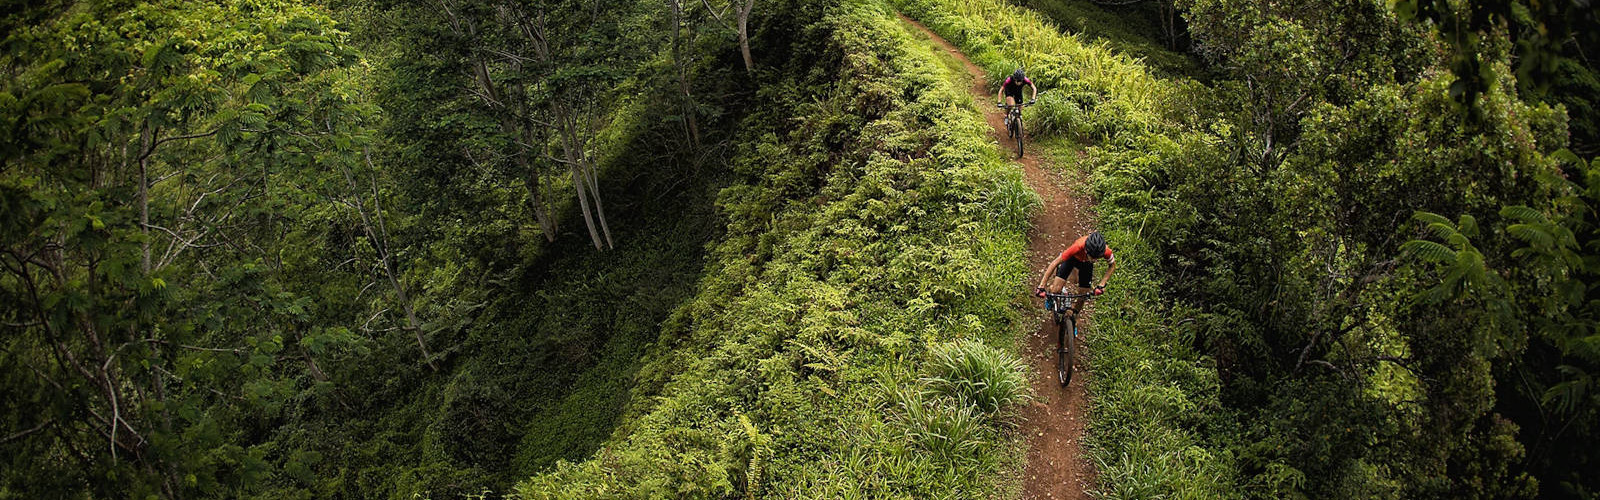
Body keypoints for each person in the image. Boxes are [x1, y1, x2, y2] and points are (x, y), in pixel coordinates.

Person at [1035, 231, 1116, 320]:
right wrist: (1041, 286)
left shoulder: (1105, 251)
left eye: (1097, 258)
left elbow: (1112, 266)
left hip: (1086, 265)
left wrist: (1102, 284)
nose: (1094, 260)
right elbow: (1055, 263)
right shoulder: (1077, 246)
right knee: (1055, 290)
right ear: (1086, 250)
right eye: (1092, 257)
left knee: (1083, 295)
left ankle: (1074, 317)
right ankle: (1051, 296)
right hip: (1072, 259)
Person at [996, 68, 1038, 132]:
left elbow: (1034, 88)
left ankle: (1018, 123)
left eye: (1020, 81)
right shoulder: (1009, 80)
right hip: (1009, 91)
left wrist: (1033, 99)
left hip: (1018, 92)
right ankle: (1007, 116)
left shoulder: (1025, 79)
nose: (1019, 82)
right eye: (1017, 81)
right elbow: (1001, 90)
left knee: (1019, 108)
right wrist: (999, 101)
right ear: (1014, 78)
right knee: (1011, 104)